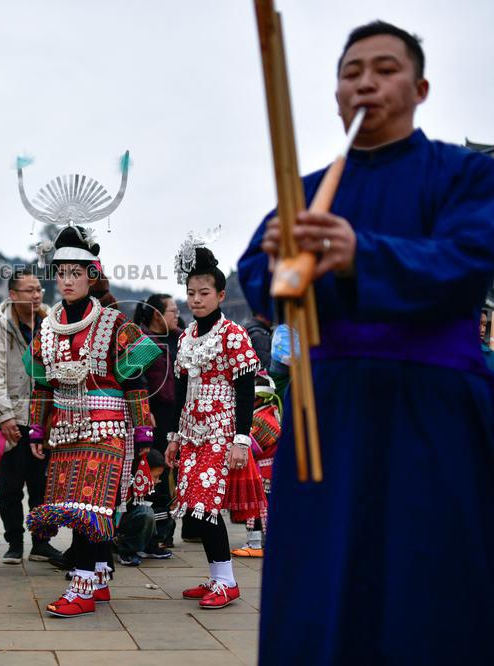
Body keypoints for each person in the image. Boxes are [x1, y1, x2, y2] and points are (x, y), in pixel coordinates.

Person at [238, 21, 494, 663]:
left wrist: (360, 254)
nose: (366, 83)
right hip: (328, 407)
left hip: (433, 406)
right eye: (351, 72)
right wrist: (277, 265)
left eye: (384, 69)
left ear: (421, 87)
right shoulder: (306, 194)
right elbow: (263, 280)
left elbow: (468, 263)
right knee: (320, 573)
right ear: (335, 94)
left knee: (432, 572)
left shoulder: (463, 175)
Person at [25, 226, 161, 618]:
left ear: (91, 275)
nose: (67, 280)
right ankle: (98, 578)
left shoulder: (115, 322)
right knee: (77, 505)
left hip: (106, 428)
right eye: (61, 272)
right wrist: (37, 426)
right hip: (65, 430)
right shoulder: (47, 328)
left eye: (75, 272)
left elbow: (135, 379)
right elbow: (40, 383)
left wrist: (143, 429)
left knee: (90, 507)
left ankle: (81, 585)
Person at [164, 244, 259, 610]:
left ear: (220, 295)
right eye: (190, 294)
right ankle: (218, 576)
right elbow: (181, 390)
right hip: (191, 430)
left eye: (204, 293)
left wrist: (241, 439)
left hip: (221, 429)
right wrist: (173, 437)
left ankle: (227, 582)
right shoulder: (187, 337)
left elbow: (246, 388)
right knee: (194, 507)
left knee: (205, 504)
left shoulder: (233, 334)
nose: (196, 300)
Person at [0, 268, 65, 566]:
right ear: (13, 295)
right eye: (29, 290)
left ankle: (41, 542)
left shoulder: (51, 324)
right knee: (9, 486)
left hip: (43, 419)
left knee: (42, 485)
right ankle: (14, 542)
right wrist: (5, 417)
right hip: (11, 418)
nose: (36, 295)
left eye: (39, 290)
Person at [133, 294, 180, 554]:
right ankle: (153, 537)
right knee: (154, 476)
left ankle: (165, 534)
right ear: (156, 315)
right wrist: (143, 410)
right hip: (152, 417)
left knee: (171, 475)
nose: (176, 315)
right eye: (172, 311)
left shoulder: (178, 338)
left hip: (174, 415)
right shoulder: (141, 341)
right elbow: (135, 379)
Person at [231, 370, 281, 558]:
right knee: (258, 509)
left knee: (257, 510)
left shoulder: (264, 419)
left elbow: (253, 447)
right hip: (263, 471)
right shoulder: (266, 414)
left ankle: (255, 544)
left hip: (264, 473)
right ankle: (258, 542)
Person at [115, 448, 166, 566]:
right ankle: (126, 550)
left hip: (131, 521)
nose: (158, 481)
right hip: (118, 524)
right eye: (156, 476)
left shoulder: (150, 486)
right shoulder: (127, 484)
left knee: (165, 512)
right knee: (146, 513)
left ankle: (148, 546)